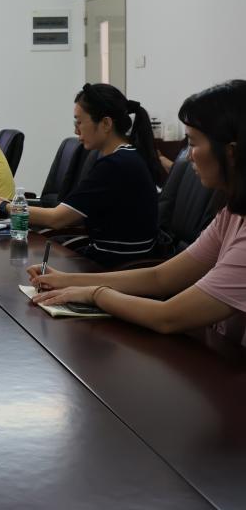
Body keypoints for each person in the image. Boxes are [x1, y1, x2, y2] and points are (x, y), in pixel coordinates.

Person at [29, 80, 246, 346]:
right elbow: (160, 277)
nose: (188, 156)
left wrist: (95, 294)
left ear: (231, 152)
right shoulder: (231, 214)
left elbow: (168, 317)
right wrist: (65, 280)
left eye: (192, 143)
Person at [0, 84, 163, 265]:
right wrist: (7, 206)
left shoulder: (115, 165)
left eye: (79, 122)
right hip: (111, 256)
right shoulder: (125, 157)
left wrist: (0, 206)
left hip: (113, 266)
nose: (76, 131)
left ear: (105, 124)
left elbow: (57, 219)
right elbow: (72, 214)